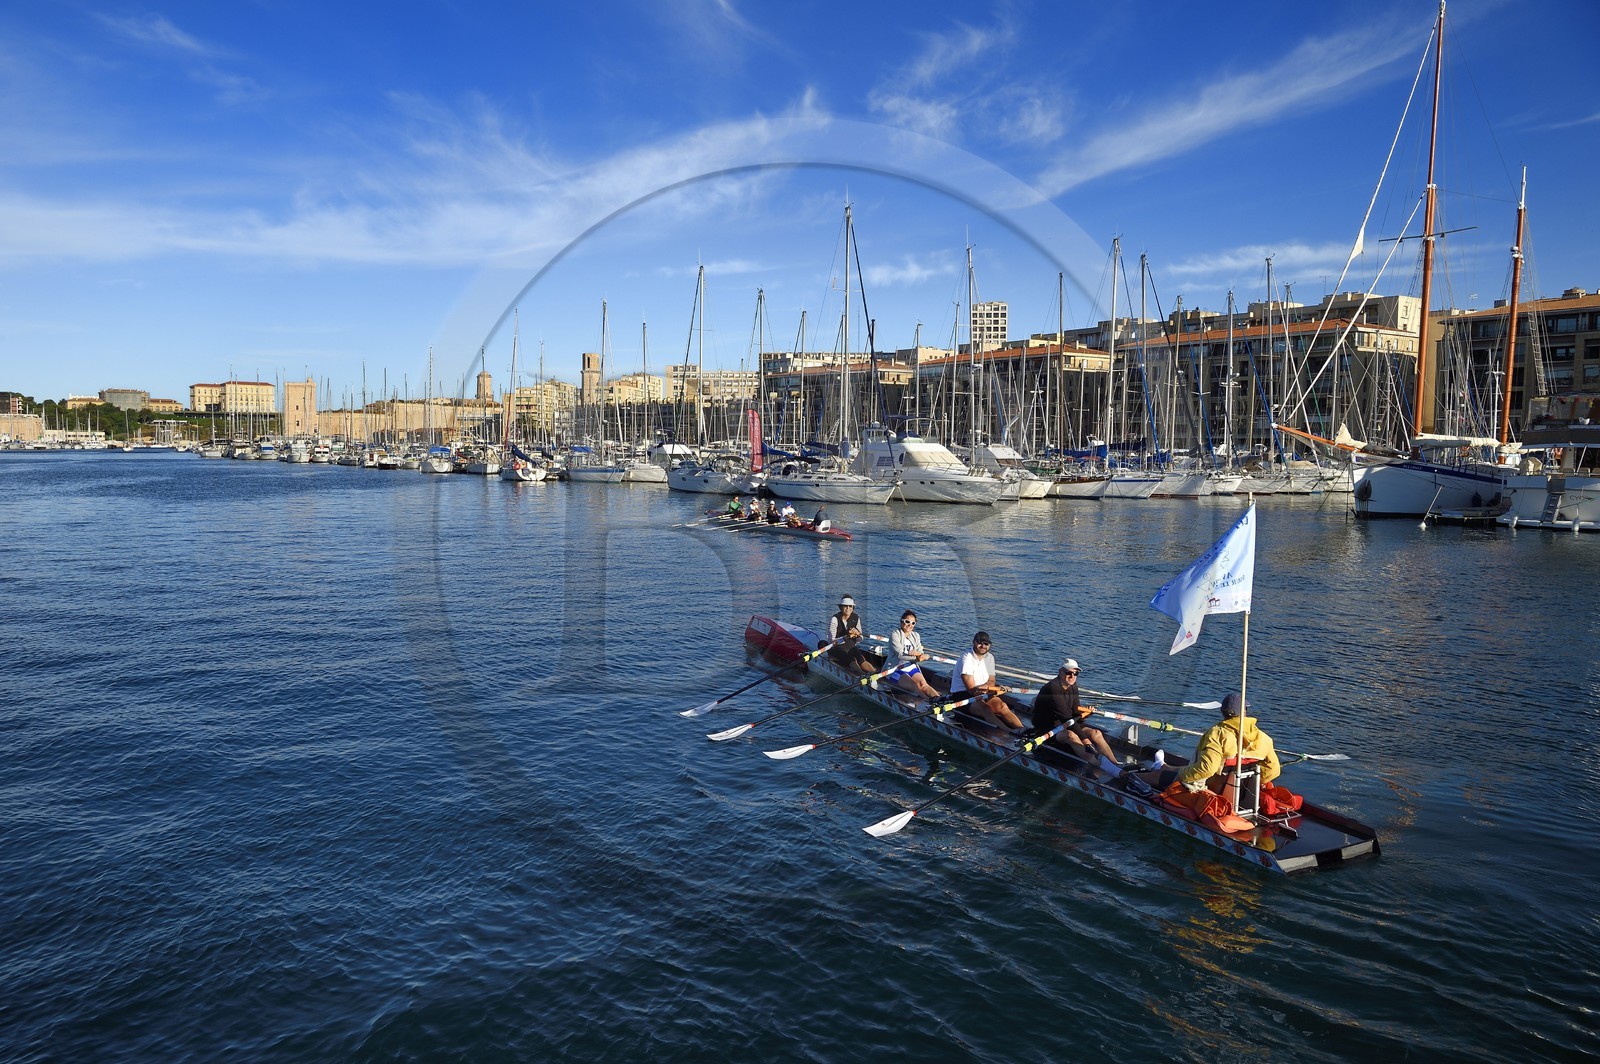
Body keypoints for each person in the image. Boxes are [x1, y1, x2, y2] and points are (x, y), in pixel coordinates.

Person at [1173, 694, 1282, 815]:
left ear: (1223, 712)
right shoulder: (1264, 739)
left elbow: (1207, 769)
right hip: (1242, 797)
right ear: (1245, 712)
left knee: (1163, 774)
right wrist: (1252, 783)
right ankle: (1163, 765)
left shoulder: (1217, 733)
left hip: (1211, 788)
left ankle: (1160, 769)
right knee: (1173, 769)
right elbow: (1274, 770)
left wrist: (1181, 776)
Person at [1029, 657, 1136, 774]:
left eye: (1076, 674)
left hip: (1065, 725)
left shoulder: (1073, 686)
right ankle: (1099, 765)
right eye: (1068, 673)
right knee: (1071, 735)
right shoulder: (1052, 688)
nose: (1072, 676)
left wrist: (1086, 714)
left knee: (1096, 733)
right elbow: (1067, 718)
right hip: (1047, 730)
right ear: (1060, 672)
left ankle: (1115, 764)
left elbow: (1075, 713)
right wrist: (1086, 742)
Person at [950, 631, 1023, 730]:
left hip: (983, 692)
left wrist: (990, 688)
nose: (983, 646)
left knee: (1002, 706)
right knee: (986, 709)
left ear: (989, 645)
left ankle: (1021, 731)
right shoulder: (966, 659)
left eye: (986, 644)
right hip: (963, 695)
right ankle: (1009, 733)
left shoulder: (990, 657)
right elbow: (971, 689)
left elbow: (991, 680)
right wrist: (989, 689)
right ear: (974, 642)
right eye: (980, 643)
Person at [887, 610, 942, 700]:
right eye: (907, 622)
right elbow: (900, 655)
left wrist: (919, 654)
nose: (910, 625)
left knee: (923, 685)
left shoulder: (916, 635)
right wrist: (917, 657)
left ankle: (939, 700)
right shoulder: (895, 635)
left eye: (913, 623)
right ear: (901, 621)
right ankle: (928, 702)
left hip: (910, 666)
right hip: (895, 668)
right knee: (914, 686)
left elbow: (920, 651)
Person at [825, 595, 875, 674]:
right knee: (851, 660)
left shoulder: (856, 618)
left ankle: (874, 674)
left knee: (861, 659)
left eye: (850, 606)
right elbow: (831, 641)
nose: (848, 608)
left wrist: (858, 635)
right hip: (837, 647)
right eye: (845, 606)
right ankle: (862, 674)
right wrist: (847, 636)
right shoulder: (835, 619)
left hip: (850, 646)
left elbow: (860, 639)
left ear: (853, 607)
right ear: (841, 607)